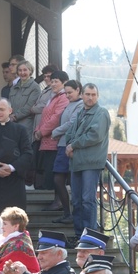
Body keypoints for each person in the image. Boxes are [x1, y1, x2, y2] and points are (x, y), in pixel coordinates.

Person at [65, 83, 111, 238]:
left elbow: (95, 136)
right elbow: (70, 132)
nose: (90, 97)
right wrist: (69, 145)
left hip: (91, 163)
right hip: (76, 162)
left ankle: (90, 237)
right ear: (82, 95)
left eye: (93, 94)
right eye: (88, 94)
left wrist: (73, 145)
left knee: (87, 200)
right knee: (76, 201)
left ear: (97, 96)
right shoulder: (80, 113)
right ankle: (79, 236)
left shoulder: (101, 113)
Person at [0, 98, 33, 212]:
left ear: (10, 110)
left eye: (1, 109)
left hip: (14, 183)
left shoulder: (20, 130)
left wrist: (11, 168)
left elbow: (27, 154)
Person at [51, 80, 84, 223]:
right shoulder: (70, 104)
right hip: (62, 144)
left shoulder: (80, 105)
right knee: (59, 179)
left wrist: (55, 131)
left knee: (64, 180)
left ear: (78, 90)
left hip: (69, 145)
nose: (68, 95)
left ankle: (72, 213)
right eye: (66, 93)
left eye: (70, 92)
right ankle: (67, 212)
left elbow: (72, 123)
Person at [34, 70, 70, 192]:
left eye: (56, 81)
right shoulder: (53, 97)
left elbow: (56, 117)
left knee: (51, 170)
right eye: (52, 81)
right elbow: (45, 116)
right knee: (46, 168)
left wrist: (41, 131)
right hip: (46, 140)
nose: (53, 84)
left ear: (64, 82)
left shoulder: (64, 97)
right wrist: (37, 129)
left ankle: (53, 200)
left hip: (54, 140)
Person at [8, 60, 40, 133]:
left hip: (26, 124)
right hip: (12, 123)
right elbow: (9, 104)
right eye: (20, 70)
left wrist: (15, 116)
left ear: (30, 71)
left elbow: (29, 106)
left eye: (25, 70)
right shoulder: (13, 87)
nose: (22, 73)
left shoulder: (35, 87)